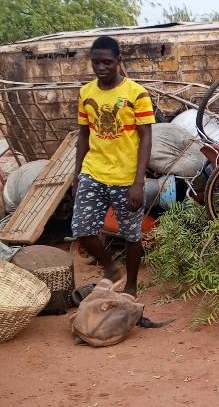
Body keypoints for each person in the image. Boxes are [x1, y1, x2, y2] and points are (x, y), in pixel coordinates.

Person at [72, 35, 155, 296]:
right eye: (96, 63)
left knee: (131, 235)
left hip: (125, 175)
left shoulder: (136, 94)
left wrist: (138, 182)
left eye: (107, 62)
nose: (101, 68)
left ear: (119, 61)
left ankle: (131, 285)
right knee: (81, 229)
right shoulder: (86, 94)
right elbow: (84, 136)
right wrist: (76, 176)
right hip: (93, 171)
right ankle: (110, 266)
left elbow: (146, 137)